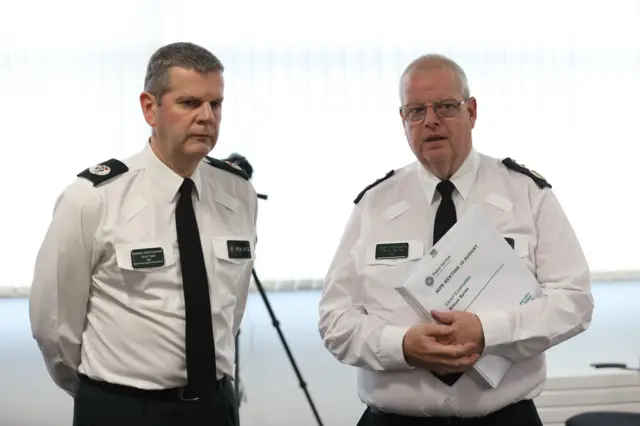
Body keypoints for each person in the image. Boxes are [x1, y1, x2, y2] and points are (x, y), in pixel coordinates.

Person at [317, 53, 594, 426]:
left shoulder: (527, 194)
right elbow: (335, 321)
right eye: (416, 110)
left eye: (446, 106)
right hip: (395, 420)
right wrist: (402, 346)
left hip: (504, 418)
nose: (430, 120)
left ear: (472, 112)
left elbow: (574, 302)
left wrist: (487, 332)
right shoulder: (374, 204)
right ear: (403, 120)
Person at [29, 42, 258, 426]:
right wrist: (100, 392)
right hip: (124, 408)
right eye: (189, 103)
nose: (206, 117)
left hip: (215, 406)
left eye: (215, 104)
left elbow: (229, 309)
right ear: (150, 108)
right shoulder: (93, 198)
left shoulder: (238, 193)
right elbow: (53, 326)